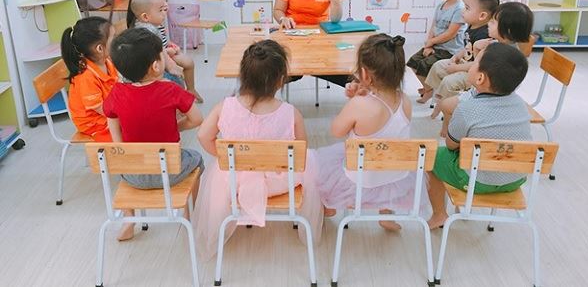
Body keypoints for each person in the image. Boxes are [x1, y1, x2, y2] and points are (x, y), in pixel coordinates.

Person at [193, 40, 322, 259]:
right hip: (279, 182)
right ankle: (321, 212)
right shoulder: (290, 112)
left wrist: (226, 159)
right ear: (280, 80)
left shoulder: (224, 107)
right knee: (312, 159)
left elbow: (203, 136)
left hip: (236, 181)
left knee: (218, 172)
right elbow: (301, 153)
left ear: (242, 76)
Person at [317, 34, 428, 231]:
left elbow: (336, 131)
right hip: (396, 175)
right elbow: (388, 133)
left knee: (318, 163)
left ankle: (329, 206)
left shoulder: (360, 105)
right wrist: (366, 94)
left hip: (361, 178)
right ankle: (386, 215)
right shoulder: (405, 101)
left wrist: (355, 101)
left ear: (365, 74)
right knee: (383, 150)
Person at [103, 28, 204, 241]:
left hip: (134, 176)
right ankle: (189, 215)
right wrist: (176, 127)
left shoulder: (117, 93)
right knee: (197, 159)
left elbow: (112, 122)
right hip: (171, 172)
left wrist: (123, 150)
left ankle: (129, 220)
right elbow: (197, 119)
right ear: (156, 65)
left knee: (123, 163)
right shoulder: (171, 90)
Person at [427, 43, 531, 229]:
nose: (471, 64)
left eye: (475, 62)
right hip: (514, 179)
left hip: (478, 181)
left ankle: (439, 214)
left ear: (480, 78)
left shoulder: (466, 109)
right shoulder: (521, 105)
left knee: (431, 157)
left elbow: (451, 145)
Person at [426, 0, 499, 118]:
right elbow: (467, 47)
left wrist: (456, 68)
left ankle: (449, 107)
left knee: (449, 82)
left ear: (482, 16)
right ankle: (440, 97)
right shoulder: (471, 25)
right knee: (438, 66)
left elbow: (479, 65)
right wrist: (457, 56)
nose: (462, 10)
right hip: (464, 63)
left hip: (475, 72)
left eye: (467, 8)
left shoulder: (485, 35)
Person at [406, 0, 468, 104]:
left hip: (449, 50)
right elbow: (433, 27)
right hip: (435, 45)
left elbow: (450, 34)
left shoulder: (460, 9)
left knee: (424, 66)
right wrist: (428, 45)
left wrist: (432, 42)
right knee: (413, 62)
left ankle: (431, 90)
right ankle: (428, 89)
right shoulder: (440, 6)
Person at [139, 0, 203, 102]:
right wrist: (169, 51)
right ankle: (183, 96)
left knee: (189, 62)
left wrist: (170, 44)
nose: (166, 5)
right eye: (162, 3)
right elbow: (153, 51)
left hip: (166, 52)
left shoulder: (158, 20)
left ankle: (191, 89)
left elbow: (164, 39)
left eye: (166, 1)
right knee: (178, 75)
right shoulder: (146, 29)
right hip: (157, 57)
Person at [60, 16, 117, 142]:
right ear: (100, 48)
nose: (117, 41)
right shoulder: (86, 77)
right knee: (130, 130)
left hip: (108, 110)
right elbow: (102, 109)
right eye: (113, 38)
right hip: (93, 123)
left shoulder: (107, 62)